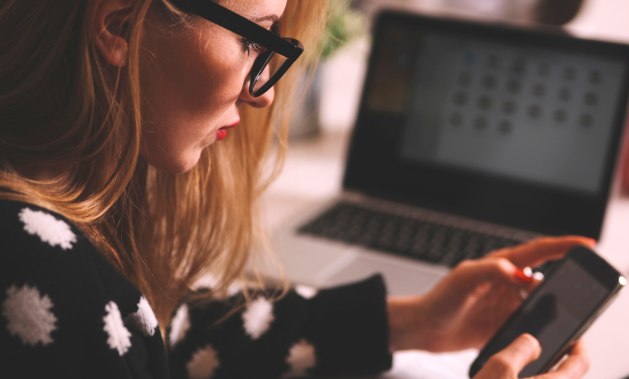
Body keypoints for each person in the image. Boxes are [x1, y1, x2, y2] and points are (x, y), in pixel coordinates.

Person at [0, 0, 591, 377]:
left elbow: (166, 332)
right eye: (253, 38)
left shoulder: (57, 224)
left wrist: (410, 323)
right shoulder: (41, 276)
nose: (264, 94)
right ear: (120, 23)